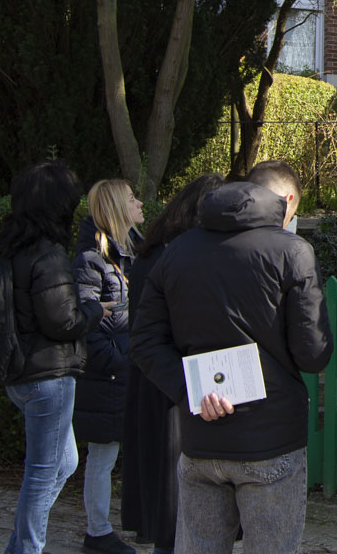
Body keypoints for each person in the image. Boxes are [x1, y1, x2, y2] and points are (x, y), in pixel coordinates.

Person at [130, 172, 332, 554]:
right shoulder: (292, 251)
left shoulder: (175, 251)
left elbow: (143, 343)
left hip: (201, 439)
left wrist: (191, 389)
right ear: (284, 204)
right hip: (271, 439)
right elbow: (313, 354)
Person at [0, 160, 107, 554]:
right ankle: (27, 549)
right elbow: (64, 322)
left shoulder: (10, 247)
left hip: (22, 375)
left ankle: (18, 546)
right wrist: (96, 311)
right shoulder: (49, 256)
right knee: (41, 474)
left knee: (65, 463)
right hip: (47, 378)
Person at [120, 173, 225, 554]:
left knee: (167, 501)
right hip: (176, 384)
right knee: (177, 503)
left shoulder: (153, 253)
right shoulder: (179, 256)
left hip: (154, 382)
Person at [72, 180, 144, 554]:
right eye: (132, 199)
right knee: (102, 455)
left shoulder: (130, 253)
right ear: (117, 209)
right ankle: (97, 532)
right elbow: (88, 325)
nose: (140, 203)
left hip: (125, 373)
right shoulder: (90, 261)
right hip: (109, 377)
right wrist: (121, 364)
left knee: (113, 452)